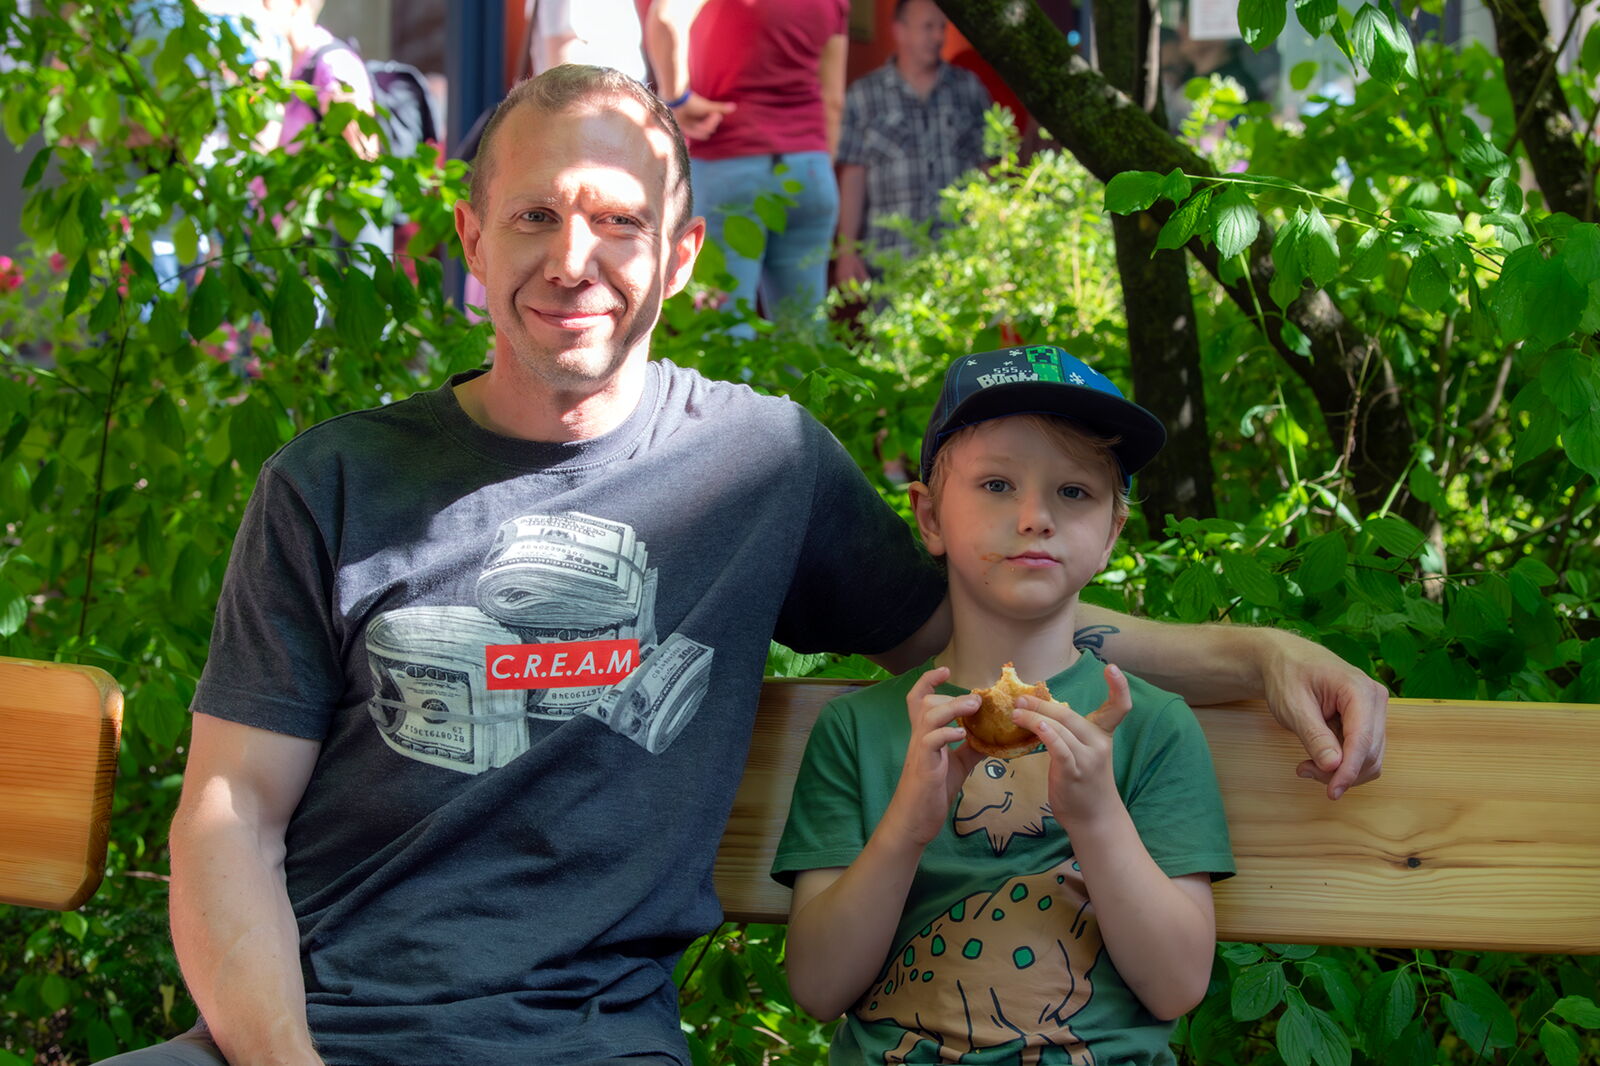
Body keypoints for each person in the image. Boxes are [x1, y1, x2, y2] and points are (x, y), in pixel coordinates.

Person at [102, 65, 1383, 1066]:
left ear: (679, 254)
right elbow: (230, 812)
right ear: (472, 236)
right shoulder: (333, 482)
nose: (572, 259)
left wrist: (1251, 655)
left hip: (584, 1041)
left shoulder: (758, 465)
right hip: (303, 1029)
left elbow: (984, 633)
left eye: (617, 220)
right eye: (535, 214)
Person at [775, 344, 1233, 1062]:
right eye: (996, 484)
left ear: (1111, 534)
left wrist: (1097, 816)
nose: (1035, 516)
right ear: (929, 517)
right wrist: (907, 828)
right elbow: (818, 986)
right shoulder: (859, 732)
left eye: (1074, 492)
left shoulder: (1151, 727)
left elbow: (1176, 986)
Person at [643, 0, 848, 334]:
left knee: (726, 326)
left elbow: (666, 18)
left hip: (728, 161)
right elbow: (834, 100)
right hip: (809, 169)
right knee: (804, 330)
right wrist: (820, 164)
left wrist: (677, 99)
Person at [834, 0, 992, 286]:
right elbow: (853, 176)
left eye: (942, 27)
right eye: (927, 27)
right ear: (900, 31)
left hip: (961, 260)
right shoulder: (864, 95)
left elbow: (989, 169)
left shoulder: (969, 89)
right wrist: (847, 250)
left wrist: (993, 238)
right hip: (891, 260)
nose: (938, 36)